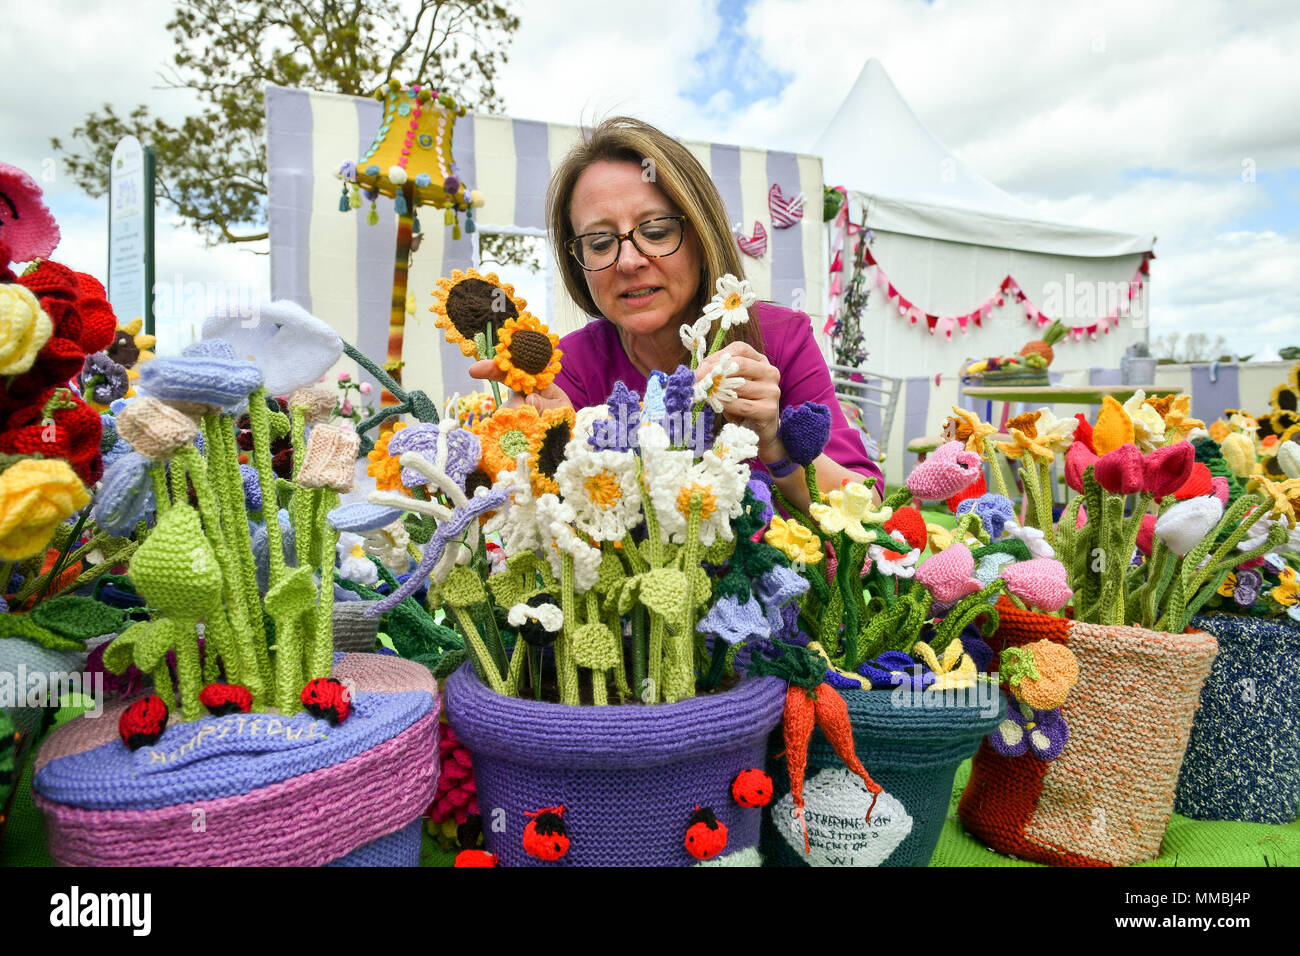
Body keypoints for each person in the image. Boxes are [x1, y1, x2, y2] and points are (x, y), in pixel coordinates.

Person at [470, 116, 882, 512]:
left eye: (655, 232)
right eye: (599, 242)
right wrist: (550, 444)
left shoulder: (779, 338)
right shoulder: (569, 364)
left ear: (703, 238)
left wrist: (775, 443)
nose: (628, 261)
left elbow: (869, 505)